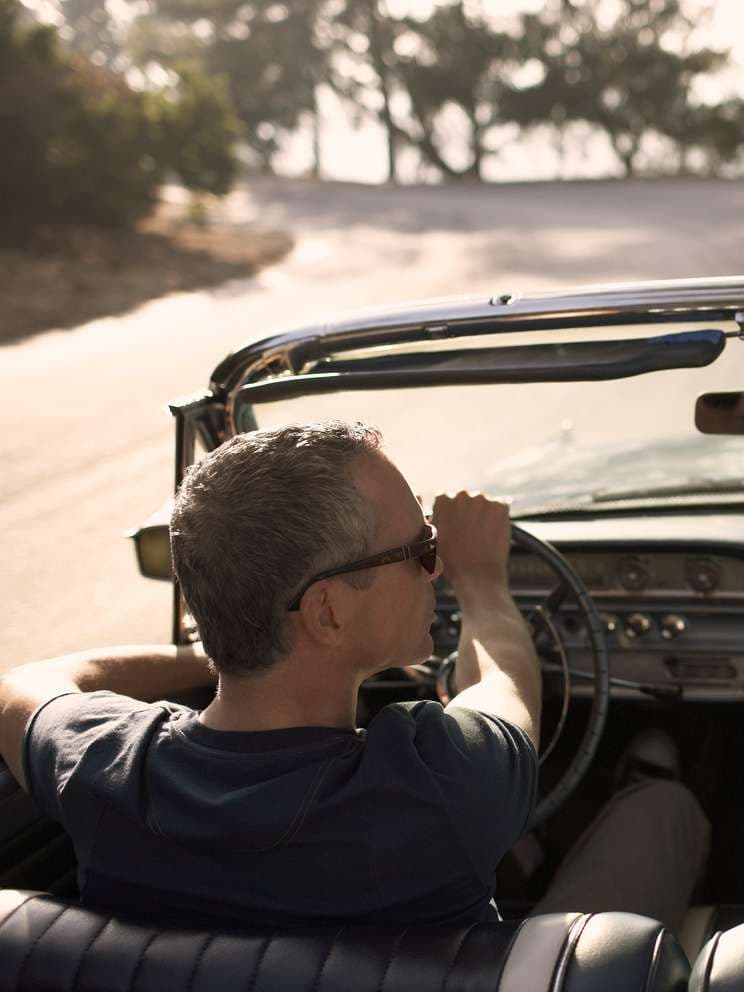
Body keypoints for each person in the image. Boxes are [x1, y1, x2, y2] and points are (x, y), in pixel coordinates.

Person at [0, 420, 707, 933]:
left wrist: (233, 643)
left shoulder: (104, 767)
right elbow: (511, 682)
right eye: (420, 549)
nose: (433, 566)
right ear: (328, 613)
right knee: (665, 813)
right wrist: (482, 578)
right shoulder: (445, 783)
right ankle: (646, 788)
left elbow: (28, 680)